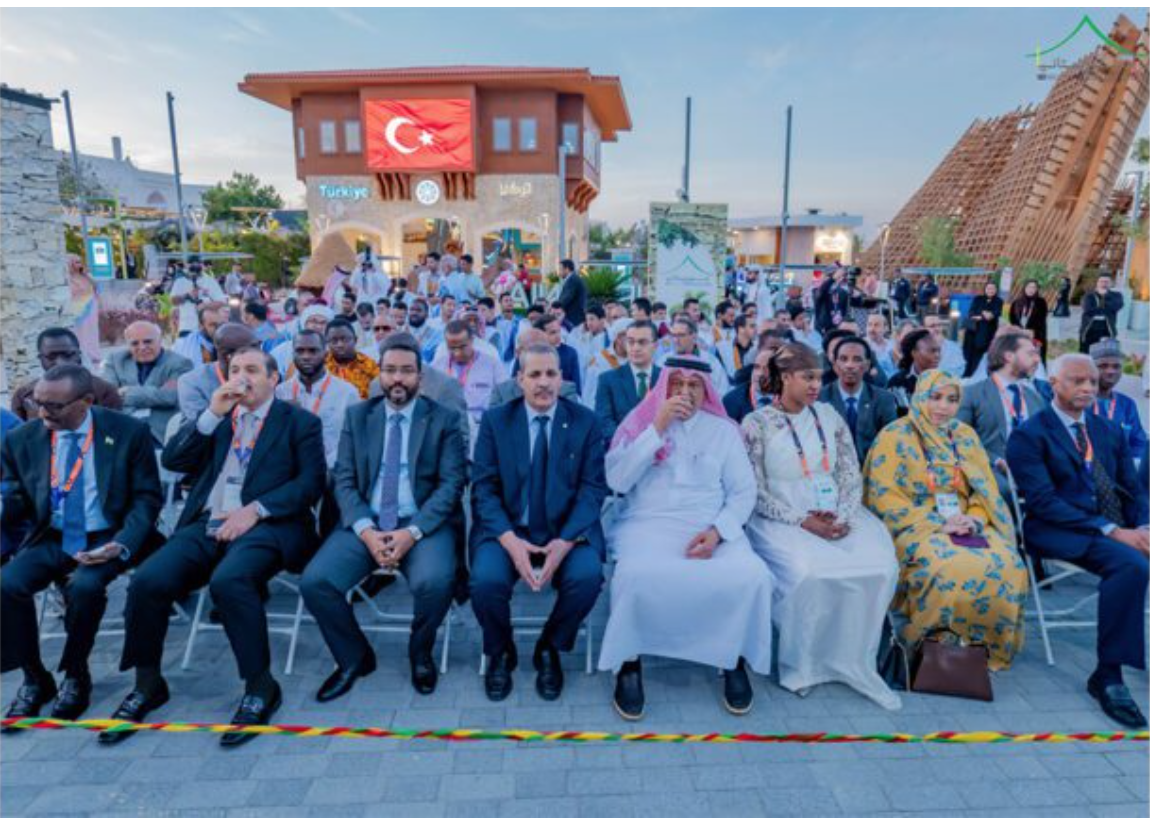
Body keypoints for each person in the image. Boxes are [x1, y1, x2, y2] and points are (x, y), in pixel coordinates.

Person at [105, 349, 326, 748]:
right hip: (207, 522)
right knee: (148, 580)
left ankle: (260, 686)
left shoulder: (300, 422)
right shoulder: (216, 420)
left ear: (274, 379)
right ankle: (148, 683)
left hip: (270, 525)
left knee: (230, 580)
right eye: (235, 370)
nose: (241, 377)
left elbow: (310, 483)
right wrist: (210, 416)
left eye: (252, 370)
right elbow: (173, 461)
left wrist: (255, 510)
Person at [600, 357, 771, 719]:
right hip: (648, 523)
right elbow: (617, 482)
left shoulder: (723, 431)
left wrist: (717, 533)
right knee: (634, 577)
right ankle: (629, 660)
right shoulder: (641, 422)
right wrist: (657, 427)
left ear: (706, 389)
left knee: (750, 576)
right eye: (676, 383)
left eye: (693, 385)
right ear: (663, 387)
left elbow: (743, 493)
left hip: (709, 526)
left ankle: (731, 658)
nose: (684, 391)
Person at [301, 336, 467, 701]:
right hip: (367, 521)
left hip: (422, 522)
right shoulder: (359, 416)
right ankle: (354, 658)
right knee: (316, 582)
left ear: (420, 378)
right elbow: (344, 479)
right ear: (379, 374)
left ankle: (420, 652)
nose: (397, 379)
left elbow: (451, 484)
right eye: (390, 370)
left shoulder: (443, 420)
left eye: (407, 371)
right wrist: (365, 530)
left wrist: (412, 532)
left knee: (436, 582)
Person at [1, 366, 162, 723]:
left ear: (86, 402)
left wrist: (121, 544)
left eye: (54, 406)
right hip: (54, 535)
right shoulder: (22, 438)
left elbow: (147, 500)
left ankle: (76, 675)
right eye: (36, 402)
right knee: (7, 584)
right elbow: (15, 498)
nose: (43, 412)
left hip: (108, 534)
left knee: (85, 587)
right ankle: (35, 679)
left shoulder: (127, 432)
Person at [743, 344, 900, 709]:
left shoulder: (829, 415)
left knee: (879, 566)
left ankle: (853, 659)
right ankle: (805, 664)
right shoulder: (757, 423)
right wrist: (803, 521)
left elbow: (849, 472)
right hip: (780, 517)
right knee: (809, 572)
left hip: (836, 512)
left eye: (818, 377)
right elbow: (755, 490)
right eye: (807, 377)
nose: (816, 385)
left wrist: (843, 515)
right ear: (785, 378)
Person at [1006, 354, 1148, 728]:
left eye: (1092, 381)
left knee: (1135, 556)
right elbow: (1043, 503)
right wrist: (1115, 531)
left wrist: (1145, 527)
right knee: (1131, 565)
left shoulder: (1108, 430)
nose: (1088, 388)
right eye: (1077, 381)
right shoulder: (1029, 435)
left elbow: (1133, 491)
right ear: (1053, 383)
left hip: (1115, 528)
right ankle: (1108, 675)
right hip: (1059, 529)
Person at [469, 343, 607, 702]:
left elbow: (593, 490)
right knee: (485, 581)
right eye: (535, 375)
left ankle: (550, 646)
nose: (544, 383)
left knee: (587, 577)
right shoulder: (497, 421)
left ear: (562, 377)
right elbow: (483, 489)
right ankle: (499, 650)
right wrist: (511, 543)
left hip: (566, 530)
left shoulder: (586, 422)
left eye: (551, 373)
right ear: (519, 380)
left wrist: (564, 543)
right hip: (508, 528)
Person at [864, 370, 1028, 671]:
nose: (943, 407)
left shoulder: (965, 435)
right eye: (935, 397)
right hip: (915, 525)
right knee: (948, 569)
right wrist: (938, 524)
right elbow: (883, 497)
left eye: (952, 400)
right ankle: (932, 654)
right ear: (920, 396)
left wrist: (975, 521)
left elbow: (984, 490)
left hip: (965, 522)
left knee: (1009, 565)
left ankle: (983, 652)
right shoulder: (895, 436)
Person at [958, 332, 1047, 490]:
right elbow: (959, 440)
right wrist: (997, 461)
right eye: (1031, 353)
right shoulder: (972, 394)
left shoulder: (1035, 398)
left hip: (1032, 470)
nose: (1037, 360)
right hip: (991, 469)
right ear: (1008, 356)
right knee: (1003, 489)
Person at [275, 330, 360, 469]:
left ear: (326, 354)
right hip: (290, 472)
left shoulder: (347, 393)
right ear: (293, 355)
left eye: (313, 351)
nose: (306, 356)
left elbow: (353, 439)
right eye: (300, 351)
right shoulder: (281, 392)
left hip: (332, 473)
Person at [101, 321, 194, 446]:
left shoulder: (180, 363)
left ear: (160, 340)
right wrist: (155, 393)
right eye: (135, 343)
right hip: (122, 427)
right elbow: (108, 396)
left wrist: (126, 391)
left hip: (158, 433)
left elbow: (169, 397)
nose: (142, 347)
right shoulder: (115, 360)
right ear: (127, 345)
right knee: (104, 449)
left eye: (148, 341)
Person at [11, 329, 123, 421]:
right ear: (40, 359)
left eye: (68, 355)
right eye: (51, 357)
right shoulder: (23, 395)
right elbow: (19, 441)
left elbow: (114, 434)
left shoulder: (105, 391)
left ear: (79, 355)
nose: (60, 362)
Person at [820, 335, 899, 464]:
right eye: (843, 359)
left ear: (867, 365)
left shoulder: (884, 399)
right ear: (834, 365)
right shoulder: (820, 398)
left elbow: (891, 442)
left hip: (873, 470)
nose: (849, 365)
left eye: (857, 359)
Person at [432, 319, 507, 438]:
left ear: (472, 340)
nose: (457, 352)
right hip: (447, 431)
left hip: (482, 430)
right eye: (452, 348)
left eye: (462, 347)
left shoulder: (492, 364)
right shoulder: (437, 366)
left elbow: (505, 398)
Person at [176, 324, 259, 422]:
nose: (260, 354)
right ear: (227, 356)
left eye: (258, 346)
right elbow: (198, 429)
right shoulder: (192, 382)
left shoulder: (263, 373)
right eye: (252, 349)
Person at [595, 321, 661, 441]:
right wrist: (630, 446)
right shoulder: (607, 380)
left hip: (660, 452)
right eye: (630, 342)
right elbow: (604, 422)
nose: (635, 348)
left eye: (642, 342)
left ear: (655, 345)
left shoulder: (665, 378)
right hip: (621, 451)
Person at [488, 329, 579, 407]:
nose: (538, 355)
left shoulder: (566, 391)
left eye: (543, 349)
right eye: (532, 350)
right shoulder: (502, 393)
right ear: (517, 353)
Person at [1089, 340, 1148, 457]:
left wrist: (1128, 467)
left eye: (1116, 366)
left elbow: (1139, 443)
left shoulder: (1127, 404)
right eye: (1103, 366)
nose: (1111, 371)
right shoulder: (1078, 402)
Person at [270, 304, 334, 378]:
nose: (318, 326)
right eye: (313, 321)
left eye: (323, 323)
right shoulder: (284, 349)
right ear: (304, 323)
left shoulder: (332, 349)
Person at [324, 318, 380, 400]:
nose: (340, 345)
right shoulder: (321, 365)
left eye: (345, 339)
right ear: (327, 343)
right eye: (334, 340)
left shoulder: (369, 365)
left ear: (355, 340)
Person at [170, 261, 225, 338]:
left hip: (207, 327)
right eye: (191, 262)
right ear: (186, 264)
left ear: (202, 265)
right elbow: (173, 301)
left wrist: (205, 306)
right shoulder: (180, 281)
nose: (194, 265)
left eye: (197, 262)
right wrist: (187, 296)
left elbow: (221, 301)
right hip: (187, 326)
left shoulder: (210, 281)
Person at [886, 328, 941, 404]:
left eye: (939, 350)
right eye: (932, 351)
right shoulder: (897, 382)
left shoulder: (944, 380)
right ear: (914, 353)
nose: (937, 355)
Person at [722, 344, 774, 423]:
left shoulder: (788, 397)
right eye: (756, 367)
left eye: (766, 369)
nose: (759, 374)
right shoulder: (731, 401)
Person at [962, 282, 1003, 378]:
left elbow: (994, 314)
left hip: (987, 333)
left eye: (993, 289)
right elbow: (971, 312)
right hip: (973, 331)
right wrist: (984, 314)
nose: (990, 290)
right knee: (968, 353)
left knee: (980, 354)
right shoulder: (978, 299)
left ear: (996, 290)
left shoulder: (998, 301)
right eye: (988, 288)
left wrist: (981, 315)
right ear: (985, 289)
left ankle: (977, 374)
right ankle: (966, 373)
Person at [172, 301, 229, 366]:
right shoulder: (182, 347)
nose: (219, 329)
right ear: (201, 326)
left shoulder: (234, 342)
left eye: (223, 324)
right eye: (213, 325)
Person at [1079, 274, 1124, 352]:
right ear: (1097, 283)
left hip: (1107, 328)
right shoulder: (1088, 295)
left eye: (1107, 282)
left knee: (1104, 354)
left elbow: (1116, 307)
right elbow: (1088, 310)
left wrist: (1105, 296)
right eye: (1101, 281)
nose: (1104, 283)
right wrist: (1107, 310)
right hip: (1089, 328)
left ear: (1111, 284)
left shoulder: (1117, 295)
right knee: (1085, 353)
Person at [1009, 279, 1049, 364]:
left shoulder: (1041, 302)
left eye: (1034, 287)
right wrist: (1019, 330)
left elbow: (1041, 319)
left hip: (1036, 335)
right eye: (1029, 287)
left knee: (1035, 360)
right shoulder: (1017, 302)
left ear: (1036, 289)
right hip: (1020, 335)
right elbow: (1012, 318)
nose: (1031, 289)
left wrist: (1031, 330)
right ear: (1024, 288)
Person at [714, 315, 756, 383]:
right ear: (741, 329)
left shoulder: (758, 346)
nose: (756, 329)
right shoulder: (722, 348)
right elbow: (720, 375)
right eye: (752, 326)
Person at [552, 258, 587, 329]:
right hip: (574, 316)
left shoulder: (572, 280)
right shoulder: (573, 278)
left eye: (561, 269)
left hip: (573, 316)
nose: (559, 272)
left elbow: (567, 298)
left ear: (567, 269)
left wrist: (554, 307)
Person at [865, 313, 898, 379]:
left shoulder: (892, 344)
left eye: (876, 325)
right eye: (869, 324)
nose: (872, 329)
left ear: (886, 328)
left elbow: (898, 365)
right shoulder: (863, 345)